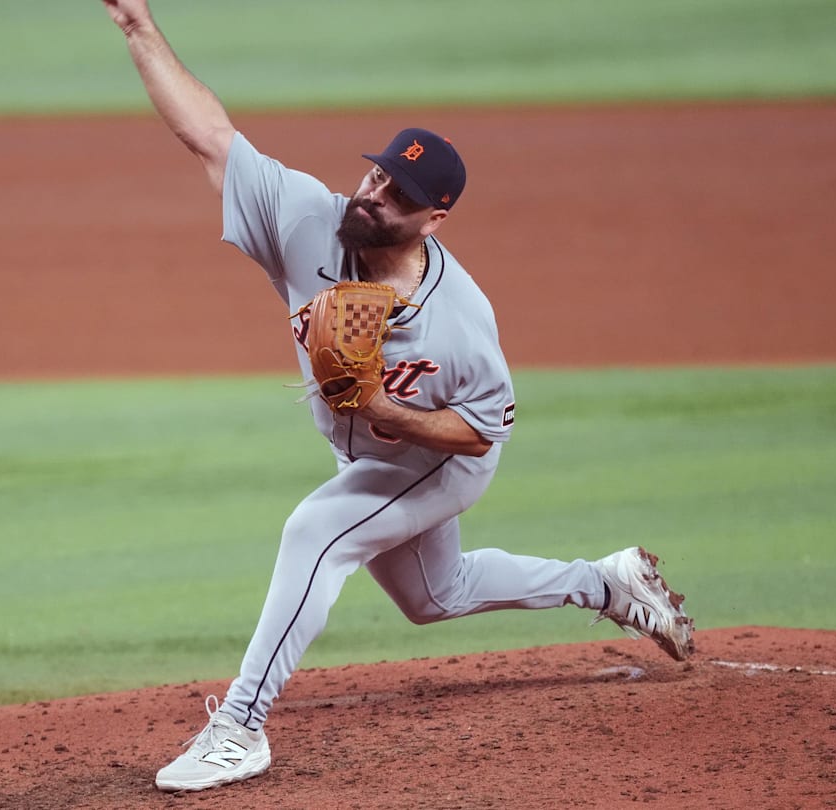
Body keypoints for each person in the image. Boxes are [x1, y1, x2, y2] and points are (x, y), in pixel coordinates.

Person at [100, 0, 695, 793]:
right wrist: (139, 26)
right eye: (376, 172)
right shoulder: (311, 219)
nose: (372, 193)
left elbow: (481, 432)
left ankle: (239, 727)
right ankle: (606, 582)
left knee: (317, 531)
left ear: (434, 219)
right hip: (378, 448)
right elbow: (209, 135)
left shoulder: (460, 318)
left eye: (397, 192)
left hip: (437, 456)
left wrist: (383, 412)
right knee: (434, 596)